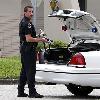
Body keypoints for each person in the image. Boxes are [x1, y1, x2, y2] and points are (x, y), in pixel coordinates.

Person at [18, 6, 47, 98]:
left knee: (24, 71)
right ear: (25, 12)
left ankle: (20, 91)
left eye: (32, 11)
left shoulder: (23, 21)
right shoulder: (27, 23)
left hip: (24, 49)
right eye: (29, 11)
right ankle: (32, 92)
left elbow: (27, 36)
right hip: (28, 49)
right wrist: (41, 39)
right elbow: (29, 39)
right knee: (31, 71)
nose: (31, 13)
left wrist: (38, 36)